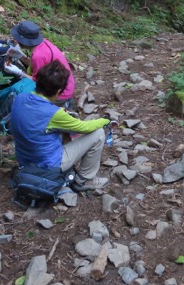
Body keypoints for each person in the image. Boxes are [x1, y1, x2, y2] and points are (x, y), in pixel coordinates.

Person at [9, 60, 109, 192]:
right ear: (58, 91)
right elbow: (84, 127)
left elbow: (34, 116)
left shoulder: (20, 98)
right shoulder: (54, 114)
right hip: (47, 165)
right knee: (98, 134)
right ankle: (84, 180)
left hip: (25, 160)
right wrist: (104, 121)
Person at [10, 20, 75, 105]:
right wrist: (20, 56)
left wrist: (18, 72)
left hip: (59, 93)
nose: (16, 41)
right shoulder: (43, 43)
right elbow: (37, 65)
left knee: (19, 92)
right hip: (66, 85)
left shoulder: (38, 55)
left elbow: (36, 81)